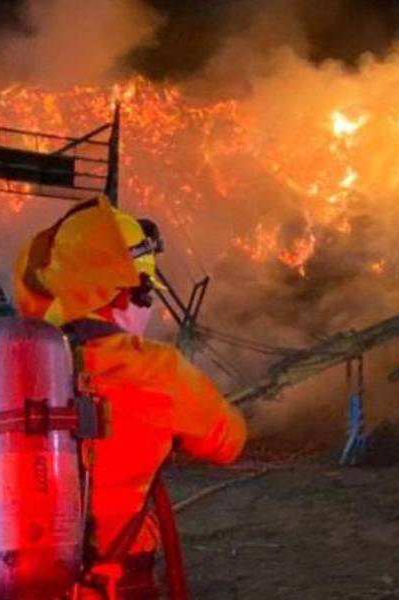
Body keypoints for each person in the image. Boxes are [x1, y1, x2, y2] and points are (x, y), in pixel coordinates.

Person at [13, 196, 247, 599]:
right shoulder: (157, 369)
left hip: (20, 580)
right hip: (119, 583)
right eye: (146, 297)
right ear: (124, 295)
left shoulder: (7, 367)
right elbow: (228, 441)